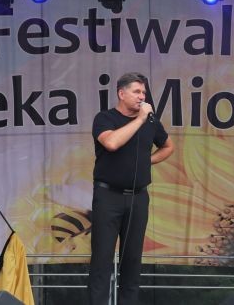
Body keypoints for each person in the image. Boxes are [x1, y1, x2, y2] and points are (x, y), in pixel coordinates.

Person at [87, 72, 175, 305]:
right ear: (121, 93)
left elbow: (168, 146)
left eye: (144, 92)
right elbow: (111, 143)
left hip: (138, 197)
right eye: (137, 92)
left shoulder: (151, 122)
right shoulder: (105, 118)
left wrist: (145, 161)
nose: (142, 97)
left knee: (133, 260)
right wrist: (139, 120)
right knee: (102, 259)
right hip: (108, 196)